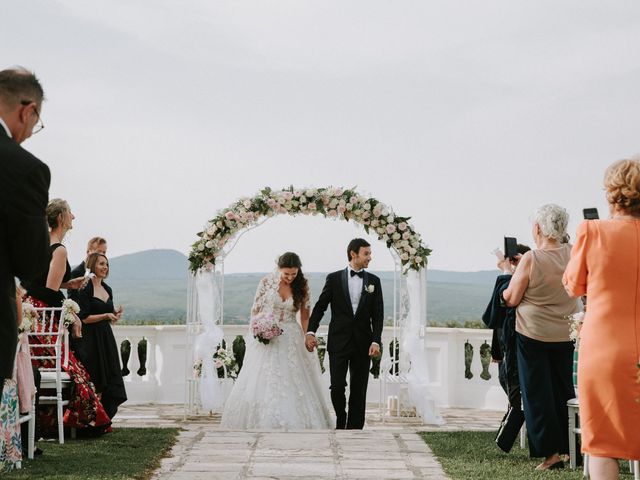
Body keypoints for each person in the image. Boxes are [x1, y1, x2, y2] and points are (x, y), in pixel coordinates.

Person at [563, 158, 640, 480]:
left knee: (603, 446)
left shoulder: (593, 231)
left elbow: (573, 285)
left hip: (604, 349)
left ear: (611, 192)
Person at [500, 204, 581, 470]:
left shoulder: (532, 258)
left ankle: (551, 455)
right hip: (565, 331)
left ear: (538, 228)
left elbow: (511, 298)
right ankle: (571, 449)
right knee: (562, 390)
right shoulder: (574, 253)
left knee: (537, 393)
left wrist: (507, 275)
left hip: (533, 334)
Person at [23, 199, 111, 436]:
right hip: (42, 316)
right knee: (74, 369)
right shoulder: (59, 250)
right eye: (70, 213)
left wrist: (67, 283)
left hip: (30, 310)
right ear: (61, 218)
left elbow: (37, 283)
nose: (74, 216)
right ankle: (72, 422)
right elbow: (49, 293)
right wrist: (73, 314)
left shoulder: (41, 244)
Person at [221, 252, 332, 429]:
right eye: (286, 273)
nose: (290, 277)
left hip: (291, 337)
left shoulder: (302, 285)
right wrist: (258, 329)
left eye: (293, 274)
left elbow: (304, 317)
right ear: (278, 269)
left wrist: (308, 335)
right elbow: (255, 310)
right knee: (265, 379)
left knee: (293, 378)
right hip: (268, 336)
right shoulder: (266, 282)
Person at [0, 67, 50, 391]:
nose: (31, 132)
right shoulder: (23, 168)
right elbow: (32, 264)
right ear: (27, 110)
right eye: (36, 123)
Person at [306, 238, 384, 430]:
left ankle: (355, 427)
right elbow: (320, 307)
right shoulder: (333, 278)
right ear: (353, 254)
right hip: (339, 341)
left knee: (359, 388)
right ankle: (341, 419)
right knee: (337, 386)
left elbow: (378, 315)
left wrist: (376, 341)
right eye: (366, 254)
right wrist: (310, 331)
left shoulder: (374, 281)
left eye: (370, 254)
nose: (370, 258)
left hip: (363, 343)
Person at [483, 243, 530, 452]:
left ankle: (506, 438)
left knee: (516, 395)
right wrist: (496, 351)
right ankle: (508, 431)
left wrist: (506, 273)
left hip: (518, 348)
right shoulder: (512, 280)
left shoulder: (516, 282)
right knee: (510, 388)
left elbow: (491, 315)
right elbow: (497, 322)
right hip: (505, 349)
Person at [76, 253, 127, 419]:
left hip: (106, 338)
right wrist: (105, 315)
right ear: (92, 266)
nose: (105, 267)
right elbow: (83, 318)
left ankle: (105, 417)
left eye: (106, 264)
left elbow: (106, 315)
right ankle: (93, 419)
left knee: (110, 377)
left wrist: (113, 315)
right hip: (91, 339)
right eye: (101, 264)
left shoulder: (107, 289)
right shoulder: (85, 287)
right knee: (97, 377)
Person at [68, 236, 107, 301]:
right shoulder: (76, 272)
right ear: (88, 252)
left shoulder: (99, 271)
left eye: (104, 252)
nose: (102, 255)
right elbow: (73, 300)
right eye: (99, 252)